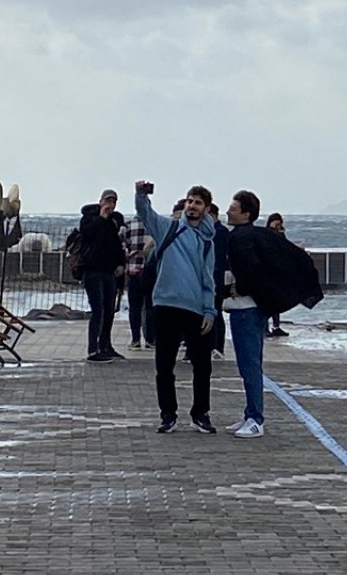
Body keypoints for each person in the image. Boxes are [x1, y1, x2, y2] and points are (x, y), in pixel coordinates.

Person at [224, 192, 324, 438]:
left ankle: (255, 419)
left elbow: (251, 271)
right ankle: (250, 412)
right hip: (253, 309)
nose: (229, 211)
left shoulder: (241, 238)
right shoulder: (257, 235)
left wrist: (238, 289)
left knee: (249, 365)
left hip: (246, 309)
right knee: (249, 363)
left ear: (246, 214)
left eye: (234, 208)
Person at [135, 180, 218, 434]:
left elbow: (208, 279)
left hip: (194, 309)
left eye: (198, 203)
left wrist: (209, 310)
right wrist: (141, 194)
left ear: (206, 209)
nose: (192, 206)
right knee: (164, 365)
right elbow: (145, 214)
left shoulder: (206, 242)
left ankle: (200, 414)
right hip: (166, 305)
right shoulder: (168, 228)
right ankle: (168, 415)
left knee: (202, 365)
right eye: (189, 201)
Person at [78, 188, 127, 363]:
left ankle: (106, 345)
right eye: (107, 201)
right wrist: (102, 218)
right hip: (92, 271)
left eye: (113, 202)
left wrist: (121, 264)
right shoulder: (89, 218)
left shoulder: (115, 223)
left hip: (109, 272)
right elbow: (88, 234)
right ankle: (93, 349)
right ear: (100, 202)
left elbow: (117, 245)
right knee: (98, 310)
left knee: (109, 311)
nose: (110, 205)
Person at [121, 215, 156, 349]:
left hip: (133, 270)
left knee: (134, 307)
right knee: (150, 306)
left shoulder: (128, 225)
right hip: (151, 270)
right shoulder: (155, 225)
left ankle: (135, 340)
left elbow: (122, 246)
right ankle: (150, 340)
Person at [208, 203, 230, 360]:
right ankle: (211, 345)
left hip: (217, 277)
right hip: (210, 276)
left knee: (216, 312)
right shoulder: (209, 231)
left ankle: (218, 346)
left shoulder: (220, 232)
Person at [264, 213, 289, 338]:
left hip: (278, 271)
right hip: (267, 271)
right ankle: (265, 327)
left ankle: (276, 326)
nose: (278, 224)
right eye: (275, 222)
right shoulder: (266, 233)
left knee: (277, 302)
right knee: (267, 301)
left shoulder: (281, 234)